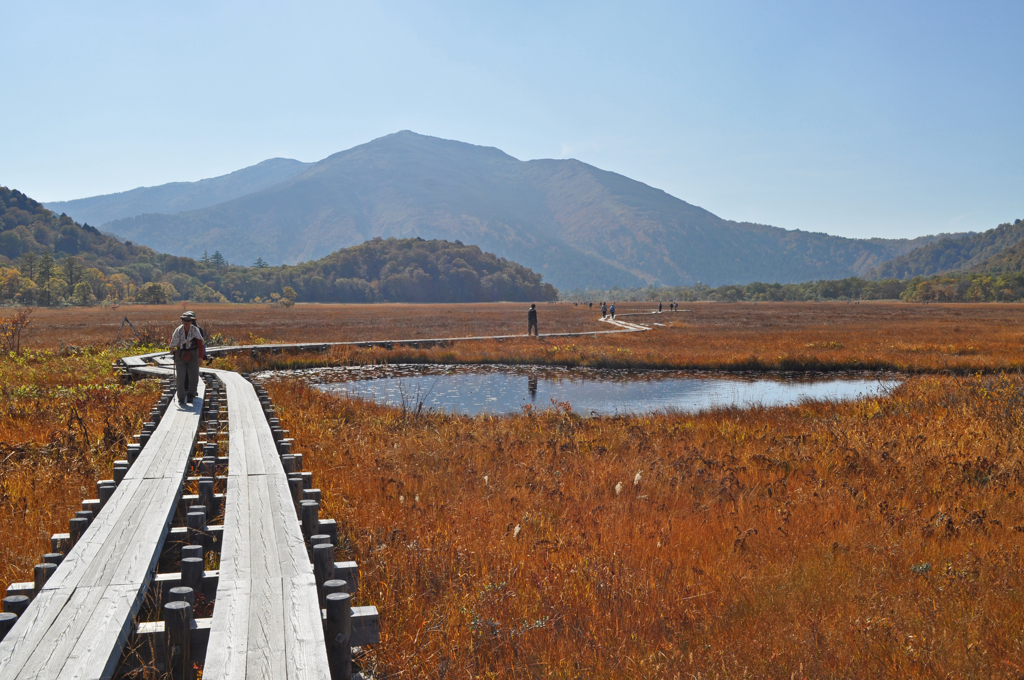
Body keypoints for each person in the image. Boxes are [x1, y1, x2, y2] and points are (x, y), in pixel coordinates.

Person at [169, 311, 206, 405]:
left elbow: (200, 345)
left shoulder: (195, 330)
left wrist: (200, 358)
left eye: (189, 320)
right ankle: (181, 398)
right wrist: (172, 349)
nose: (186, 322)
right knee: (180, 377)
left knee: (194, 376)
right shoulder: (178, 330)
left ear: (192, 321)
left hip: (193, 355)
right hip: (180, 356)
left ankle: (191, 394)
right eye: (185, 320)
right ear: (182, 320)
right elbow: (173, 341)